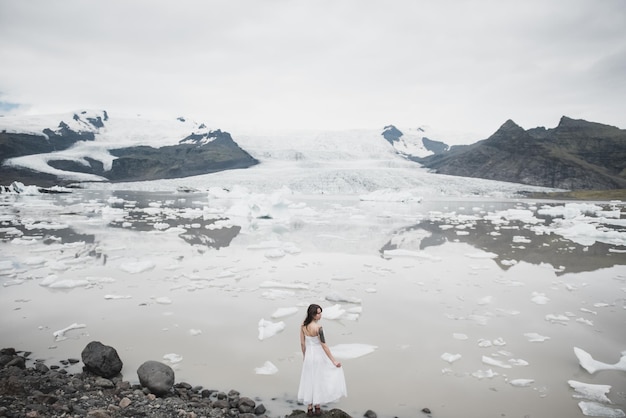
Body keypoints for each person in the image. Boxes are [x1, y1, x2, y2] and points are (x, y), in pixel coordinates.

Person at [297, 304, 347, 416]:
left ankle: (310, 407)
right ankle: (317, 406)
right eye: (318, 313)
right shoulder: (318, 328)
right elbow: (324, 345)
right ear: (313, 315)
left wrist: (305, 356)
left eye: (320, 312)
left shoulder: (303, 326)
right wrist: (334, 361)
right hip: (318, 356)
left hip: (309, 356)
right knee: (318, 378)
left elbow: (302, 343)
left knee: (309, 379)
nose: (320, 315)